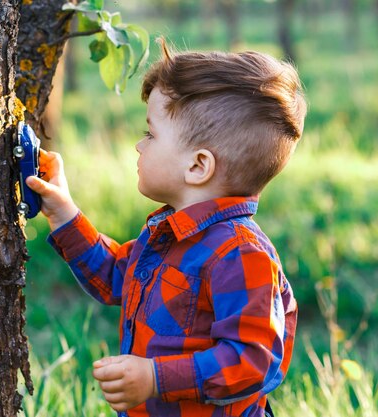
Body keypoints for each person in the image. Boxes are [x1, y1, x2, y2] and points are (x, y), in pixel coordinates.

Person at [26, 41, 307, 417]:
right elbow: (115, 276)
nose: (139, 146)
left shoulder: (241, 254)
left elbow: (253, 361)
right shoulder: (166, 234)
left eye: (151, 134)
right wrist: (63, 213)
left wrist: (156, 378)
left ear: (198, 166)